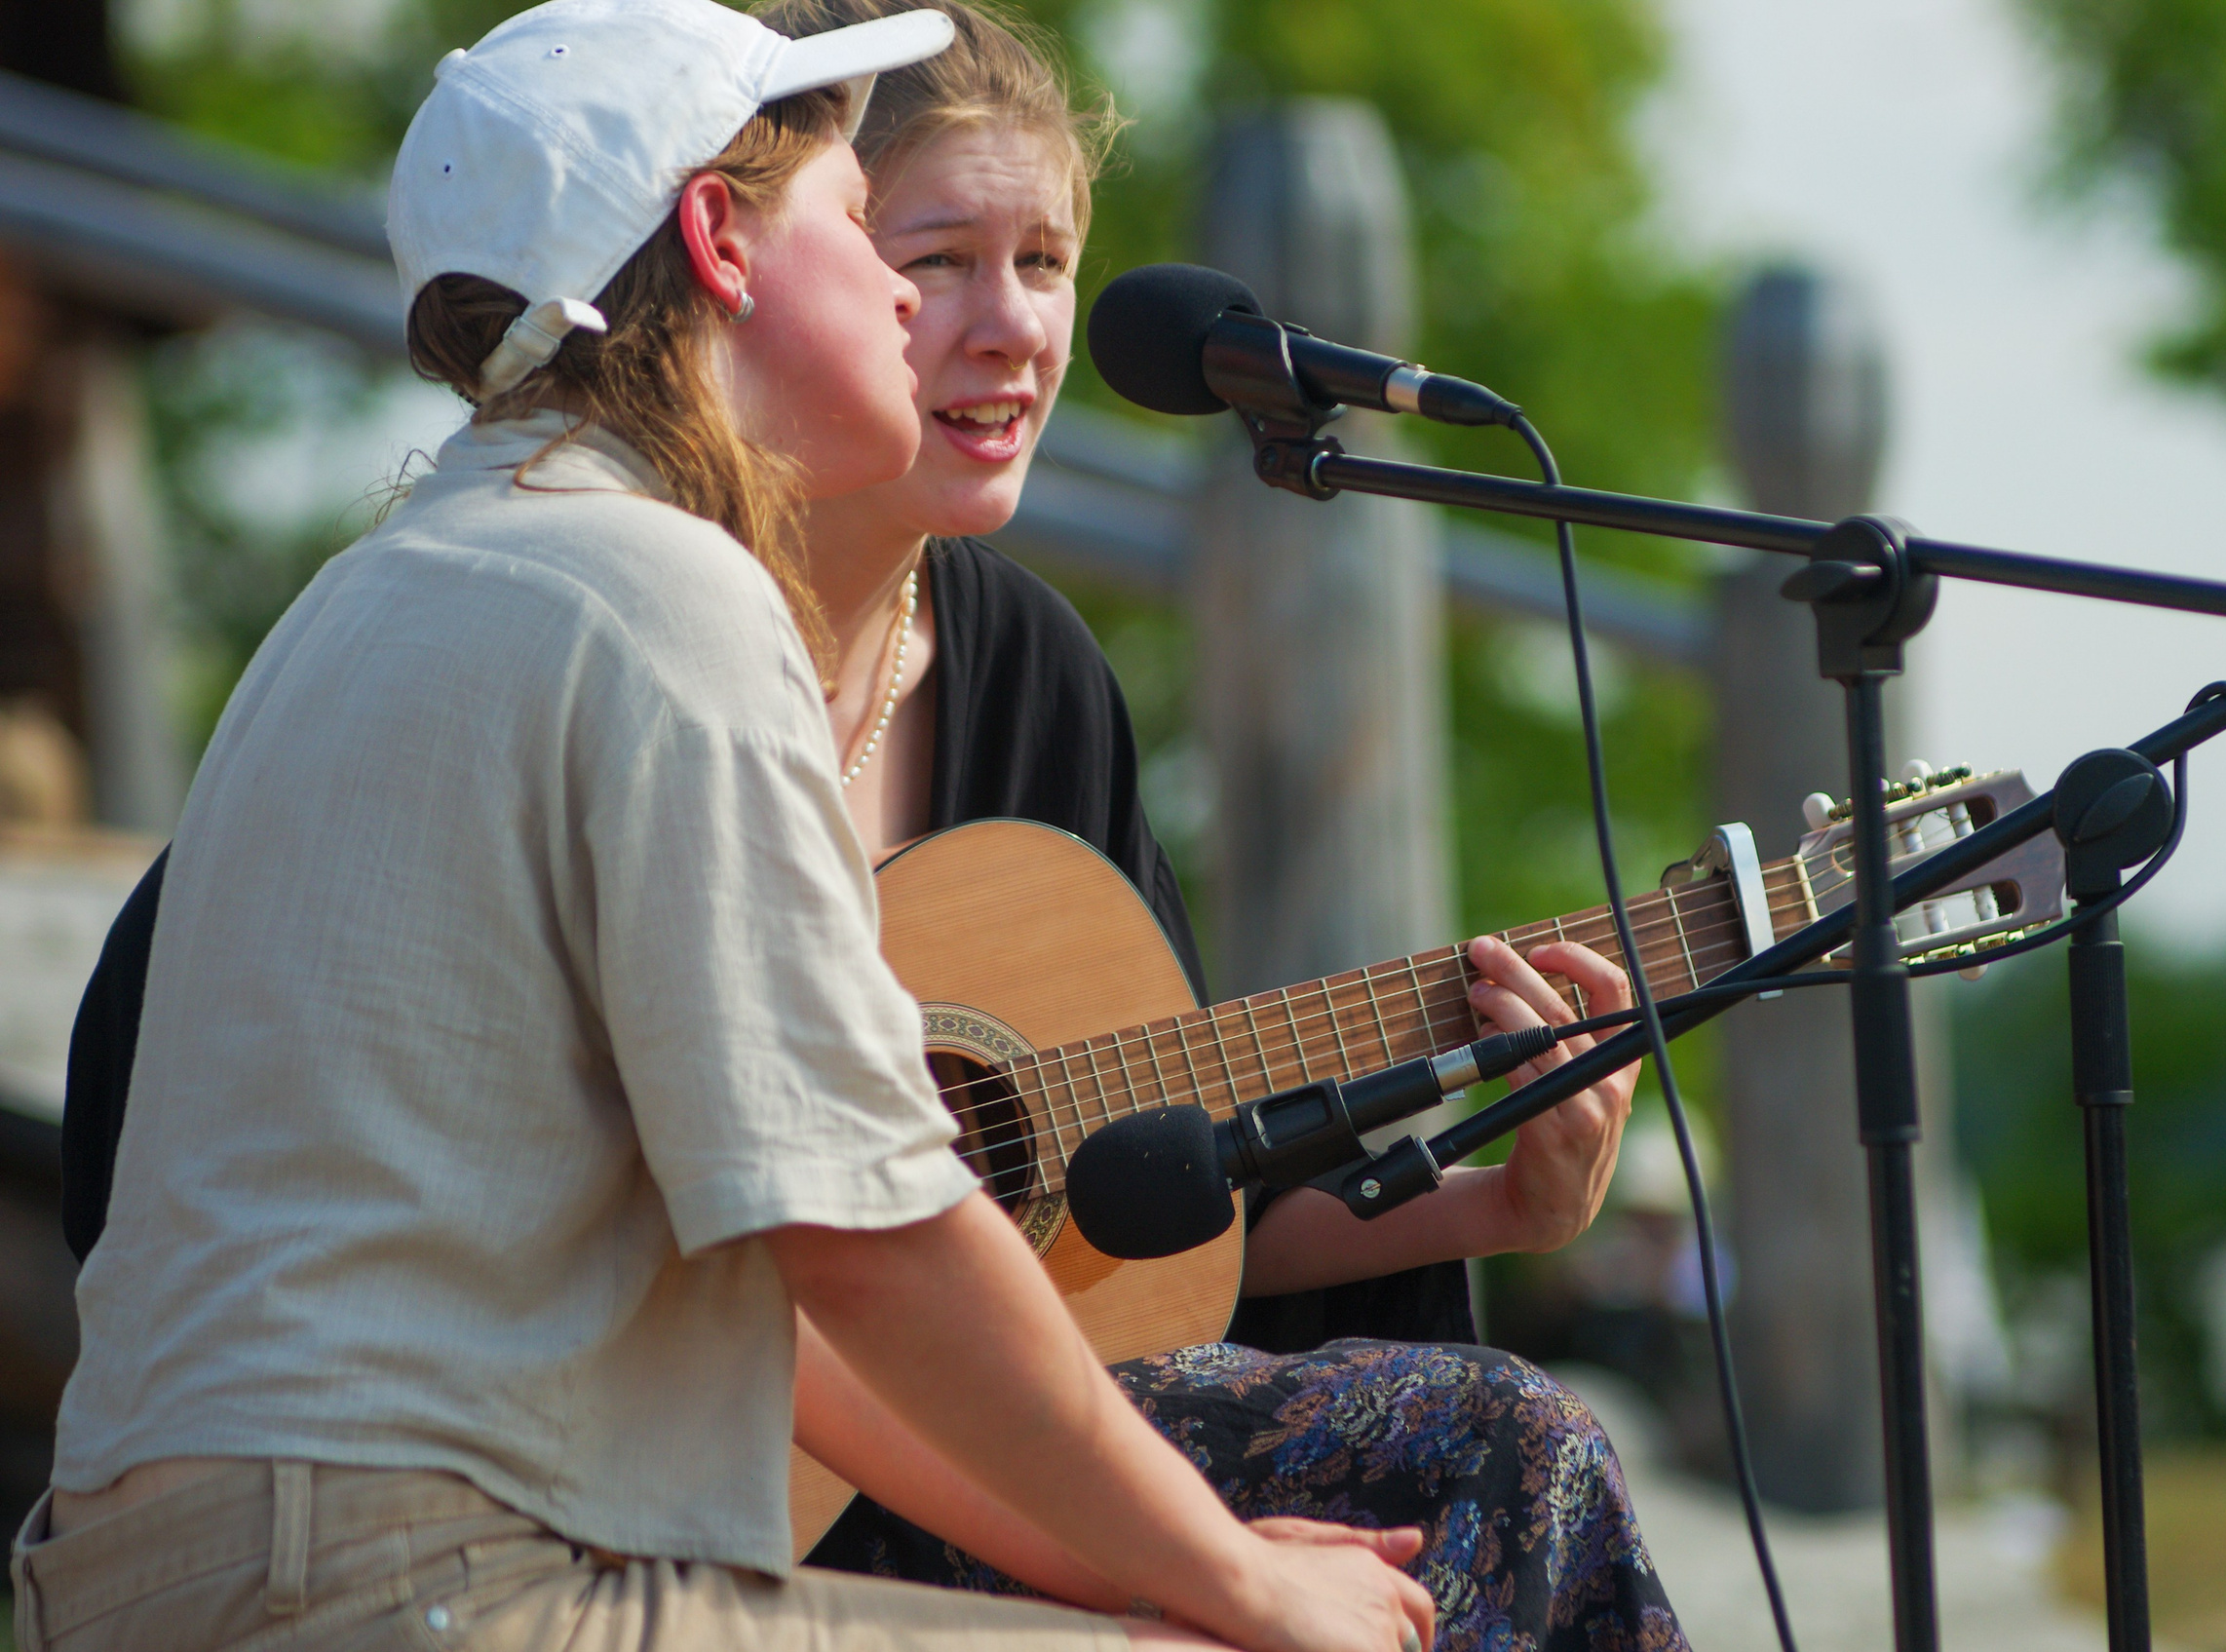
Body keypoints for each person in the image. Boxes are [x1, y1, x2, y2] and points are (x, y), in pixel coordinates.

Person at [50, 1, 1688, 1646]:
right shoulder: (655, 590)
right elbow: (870, 1238)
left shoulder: (384, 585)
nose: (923, 303)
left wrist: (1185, 1556)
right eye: (866, 224)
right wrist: (1240, 1580)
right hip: (438, 1581)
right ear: (721, 241)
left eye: (1036, 260)